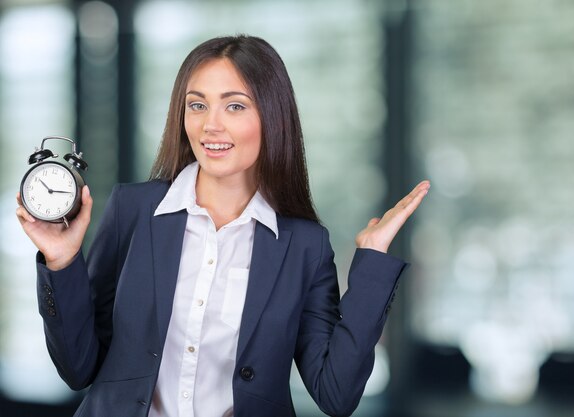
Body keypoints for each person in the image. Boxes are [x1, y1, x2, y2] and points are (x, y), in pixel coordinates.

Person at [16, 35, 430, 417]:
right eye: (197, 105)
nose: (211, 124)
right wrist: (61, 261)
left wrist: (373, 260)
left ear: (272, 117)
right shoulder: (134, 209)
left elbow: (335, 393)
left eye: (235, 105)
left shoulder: (304, 246)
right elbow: (78, 367)